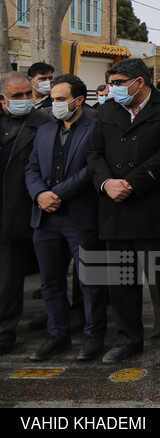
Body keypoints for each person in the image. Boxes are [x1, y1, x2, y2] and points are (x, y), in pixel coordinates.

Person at [88, 57, 160, 365]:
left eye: (118, 84)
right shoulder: (107, 110)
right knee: (120, 282)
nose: (113, 89)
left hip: (151, 205)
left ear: (138, 83)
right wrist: (107, 183)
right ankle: (128, 338)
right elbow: (94, 153)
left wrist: (131, 183)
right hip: (113, 206)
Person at [23, 74, 107, 362]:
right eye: (54, 99)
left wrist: (56, 193)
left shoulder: (96, 129)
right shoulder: (45, 130)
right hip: (45, 218)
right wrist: (39, 195)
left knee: (90, 281)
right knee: (50, 281)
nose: (55, 104)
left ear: (78, 100)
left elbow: (92, 169)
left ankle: (94, 336)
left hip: (80, 217)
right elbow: (31, 167)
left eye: (60, 99)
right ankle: (57, 334)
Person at [0, 72, 49, 356]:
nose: (24, 100)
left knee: (10, 276)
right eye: (17, 96)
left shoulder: (43, 122)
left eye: (27, 94)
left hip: (22, 206)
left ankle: (5, 331)